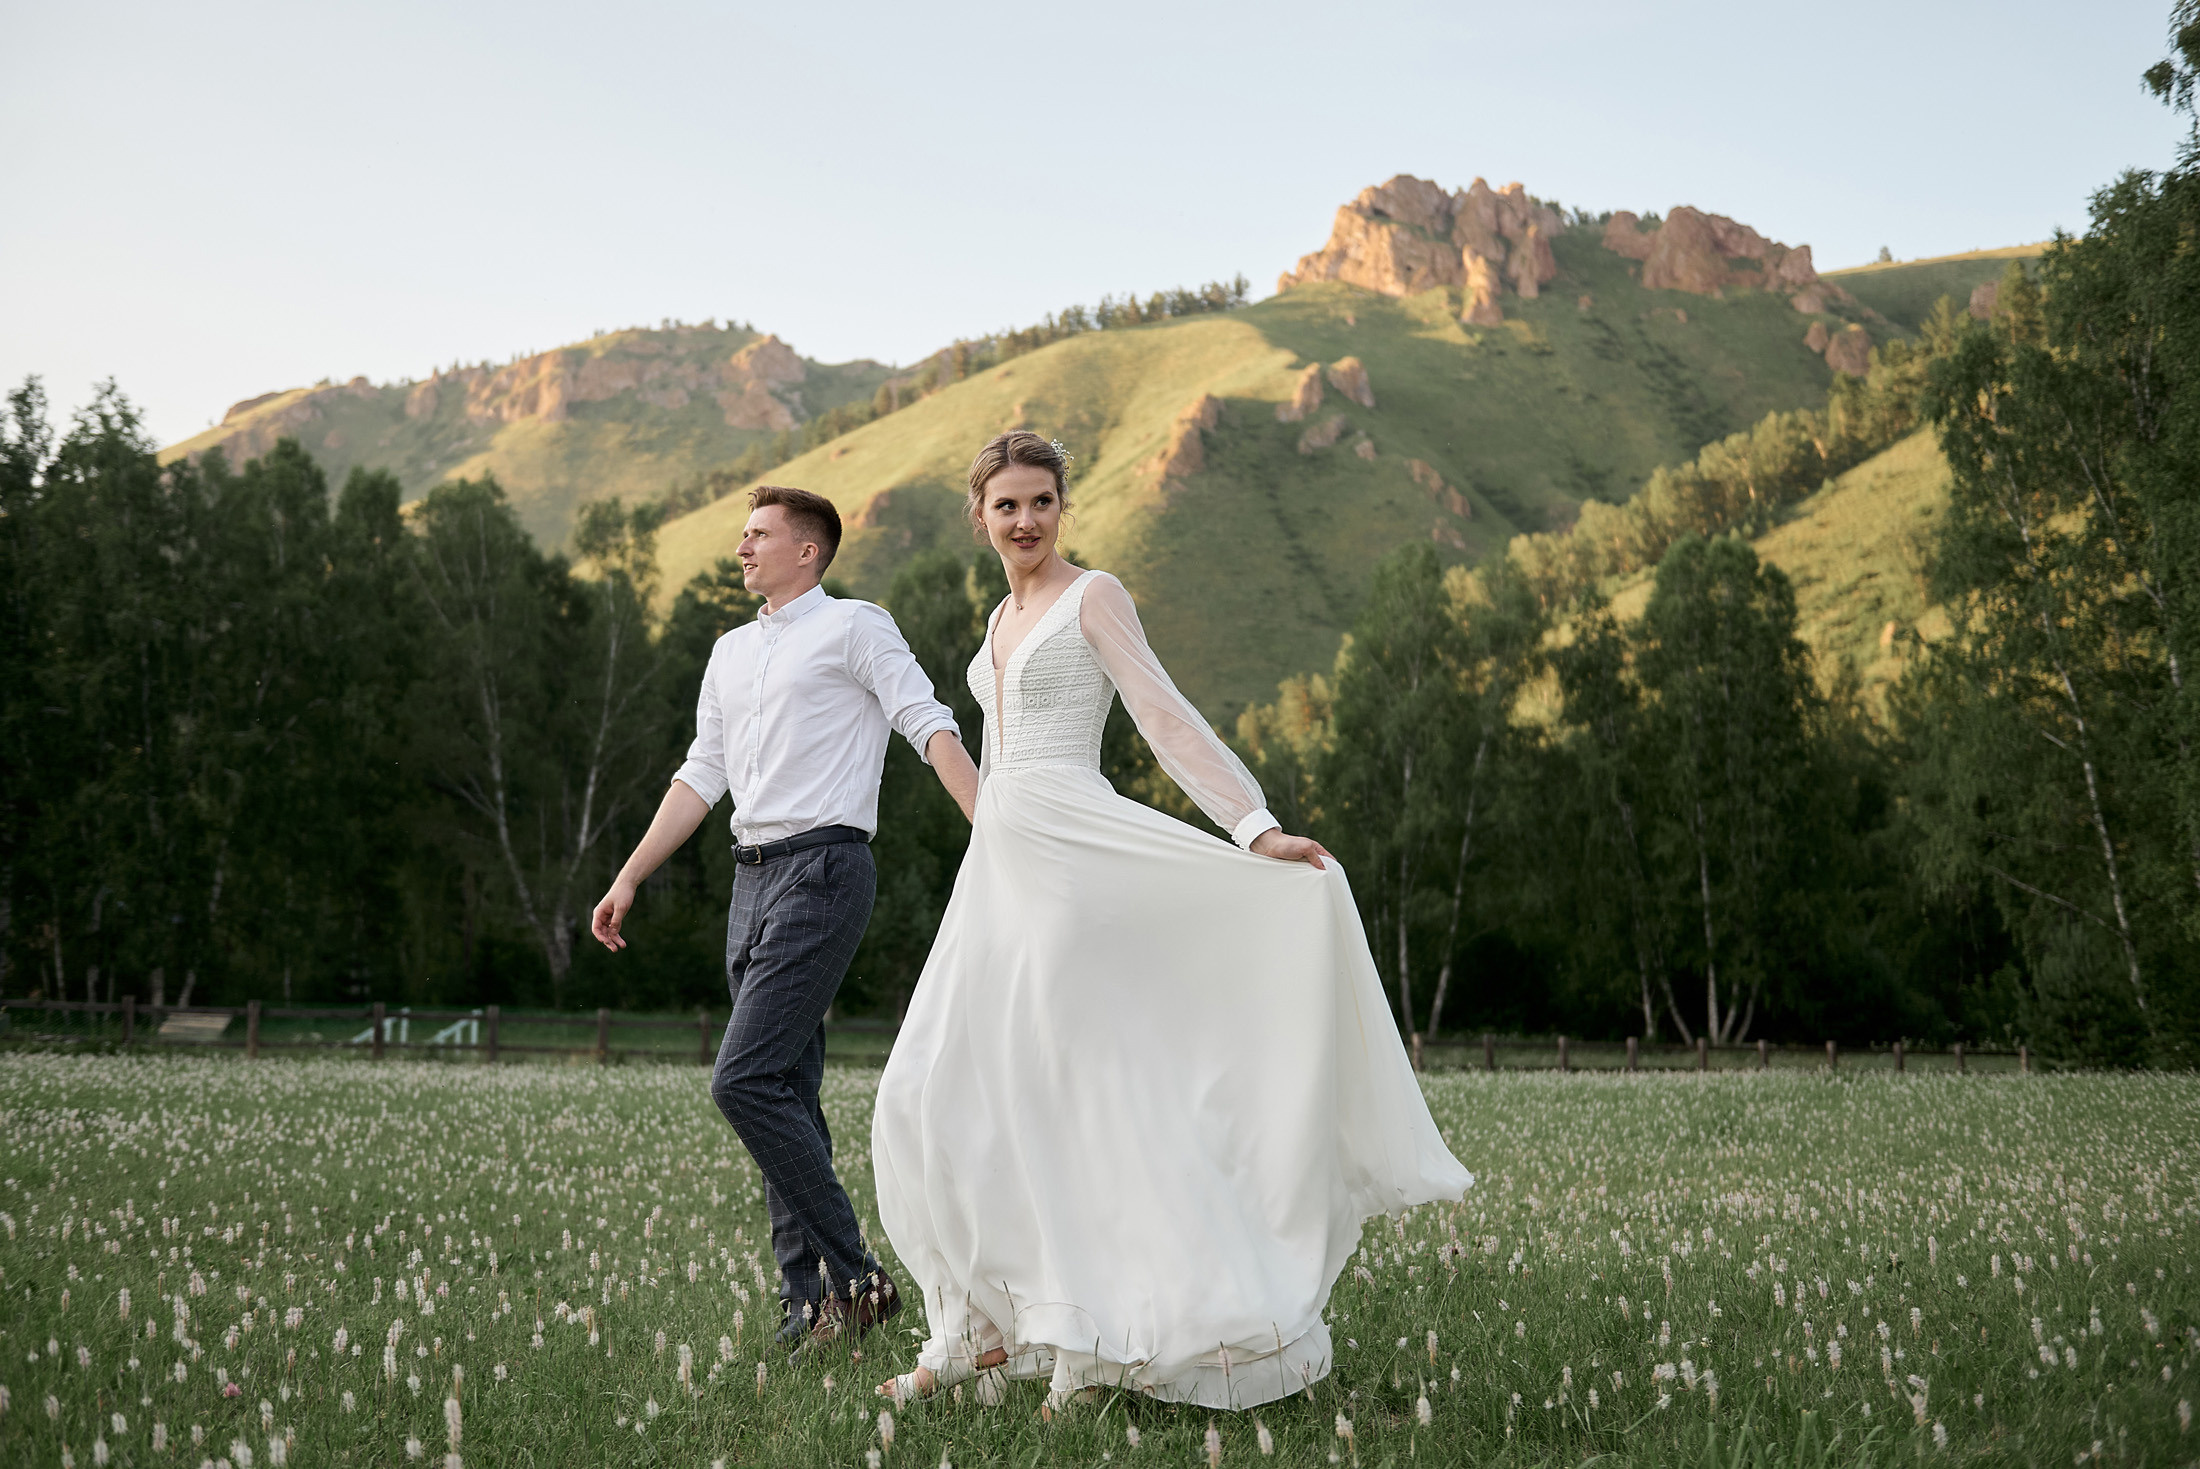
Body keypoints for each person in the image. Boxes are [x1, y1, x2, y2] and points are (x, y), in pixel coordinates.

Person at [871, 432, 1471, 1411]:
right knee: (931, 1088)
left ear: (1063, 505)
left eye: (1041, 500)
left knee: (1065, 1096)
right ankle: (978, 1329)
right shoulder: (996, 617)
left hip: (1074, 864)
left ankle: (1082, 1346)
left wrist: (1253, 824)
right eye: (1006, 504)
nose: (1025, 519)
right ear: (978, 515)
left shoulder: (1093, 595)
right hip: (1002, 867)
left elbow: (1165, 715)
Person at [590, 483, 980, 1355]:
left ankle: (860, 1278)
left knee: (743, 1080)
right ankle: (807, 1306)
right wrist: (630, 875)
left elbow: (926, 722)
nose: (742, 546)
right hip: (751, 879)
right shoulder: (729, 651)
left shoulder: (856, 626)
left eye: (758, 533)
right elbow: (701, 773)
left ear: (808, 550)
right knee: (786, 1092)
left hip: (826, 869)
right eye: (743, 533)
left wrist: (992, 823)